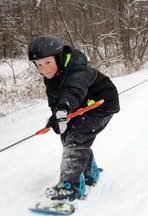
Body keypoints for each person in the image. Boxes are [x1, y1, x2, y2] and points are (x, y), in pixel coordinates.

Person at [28, 35, 120, 201]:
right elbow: (55, 100)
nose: (44, 69)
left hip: (100, 104)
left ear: (59, 57)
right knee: (67, 137)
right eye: (39, 65)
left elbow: (74, 90)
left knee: (76, 140)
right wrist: (56, 116)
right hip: (79, 106)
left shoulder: (76, 68)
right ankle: (89, 171)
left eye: (48, 62)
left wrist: (64, 109)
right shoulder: (51, 77)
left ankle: (70, 187)